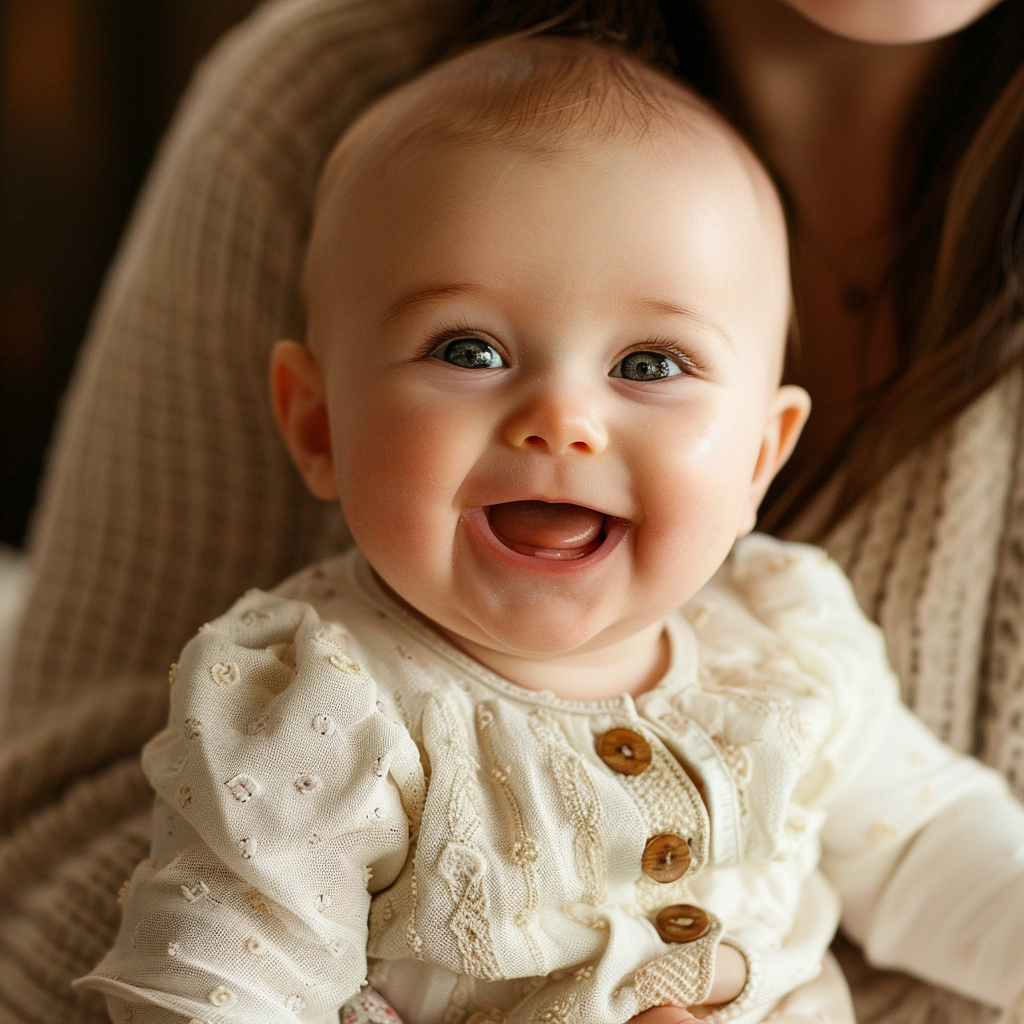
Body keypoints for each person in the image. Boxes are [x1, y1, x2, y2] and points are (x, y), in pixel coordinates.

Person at [3, 0, 1024, 1021]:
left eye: (649, 364)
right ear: (316, 425)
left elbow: (940, 853)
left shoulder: (786, 649)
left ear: (762, 455)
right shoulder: (323, 714)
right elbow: (213, 990)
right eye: (468, 350)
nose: (561, 421)